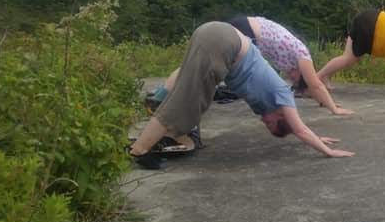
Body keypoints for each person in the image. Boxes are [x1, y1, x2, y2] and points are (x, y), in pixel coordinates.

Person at [126, 22, 354, 169]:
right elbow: (301, 129)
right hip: (224, 42)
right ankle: (139, 150)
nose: (264, 121)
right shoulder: (283, 95)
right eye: (270, 124)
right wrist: (328, 151)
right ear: (280, 115)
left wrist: (317, 137)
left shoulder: (271, 104)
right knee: (183, 105)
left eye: (267, 127)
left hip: (217, 34)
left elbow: (298, 129)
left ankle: (162, 131)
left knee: (193, 103)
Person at [227, 15, 354, 115]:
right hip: (248, 30)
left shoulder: (292, 63)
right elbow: (315, 84)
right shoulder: (302, 55)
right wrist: (334, 109)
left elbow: (309, 89)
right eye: (294, 78)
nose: (290, 77)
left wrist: (324, 102)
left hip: (247, 27)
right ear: (301, 74)